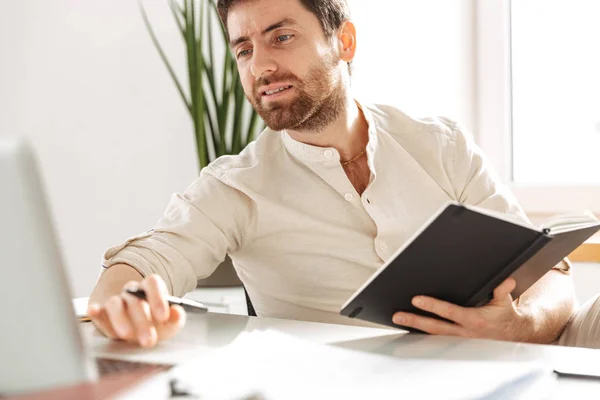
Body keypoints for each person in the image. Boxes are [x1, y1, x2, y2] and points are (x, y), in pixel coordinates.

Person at [88, 0, 600, 349]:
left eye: (281, 37)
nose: (260, 65)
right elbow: (142, 262)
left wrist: (518, 326)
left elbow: (551, 278)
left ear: (345, 41)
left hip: (506, 357)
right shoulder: (232, 187)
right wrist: (122, 303)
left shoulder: (440, 143)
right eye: (243, 50)